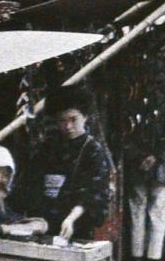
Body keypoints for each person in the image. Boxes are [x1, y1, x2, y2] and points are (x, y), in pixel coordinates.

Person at [15, 86, 118, 242]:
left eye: (73, 119)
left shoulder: (93, 151)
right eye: (62, 120)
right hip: (41, 224)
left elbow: (94, 194)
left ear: (85, 117)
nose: (68, 126)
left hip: (75, 226)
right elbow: (29, 183)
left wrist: (71, 219)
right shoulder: (46, 147)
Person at [122, 57, 165, 261]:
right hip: (162, 164)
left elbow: (127, 132)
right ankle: (154, 256)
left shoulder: (133, 100)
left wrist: (140, 156)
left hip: (137, 163)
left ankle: (136, 254)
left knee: (137, 209)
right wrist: (155, 155)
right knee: (158, 211)